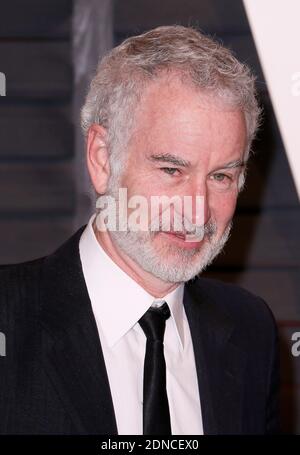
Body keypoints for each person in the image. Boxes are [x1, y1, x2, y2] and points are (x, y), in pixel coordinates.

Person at [0, 25, 279, 435]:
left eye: (221, 176)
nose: (197, 208)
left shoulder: (251, 330)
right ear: (102, 158)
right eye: (172, 170)